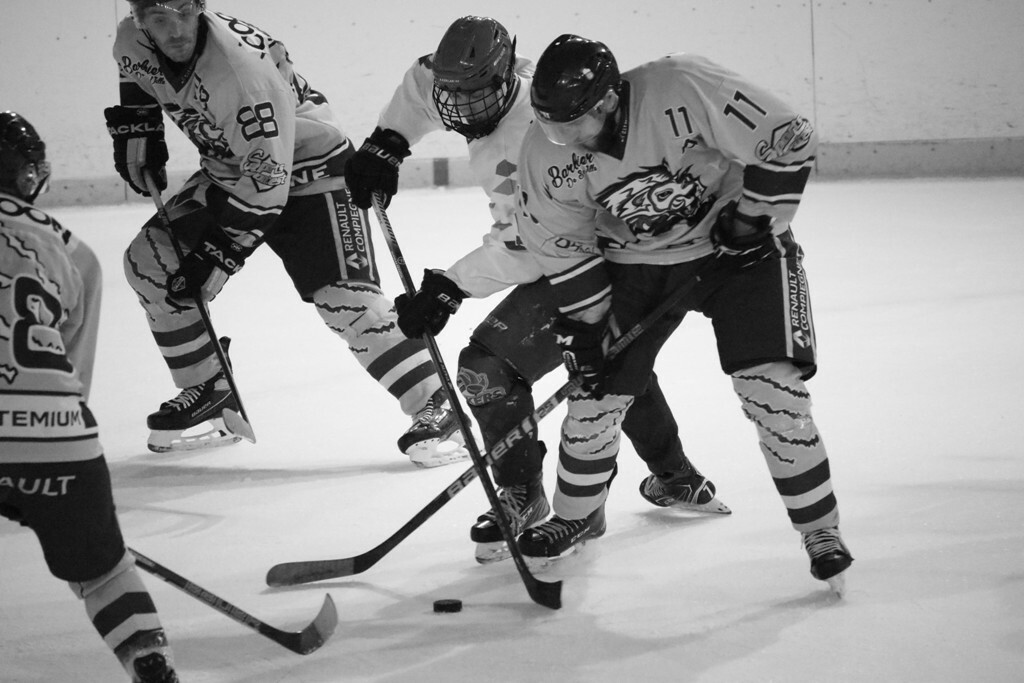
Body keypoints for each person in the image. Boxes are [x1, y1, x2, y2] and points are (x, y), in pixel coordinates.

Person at [343, 16, 728, 565]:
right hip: (587, 249)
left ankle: (524, 496)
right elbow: (420, 88)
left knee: (490, 367)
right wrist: (387, 143)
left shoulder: (532, 133)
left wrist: (451, 286)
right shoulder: (451, 82)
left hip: (599, 259)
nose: (463, 108)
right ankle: (675, 474)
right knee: (614, 361)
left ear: (505, 80)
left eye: (476, 95)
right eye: (454, 94)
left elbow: (529, 244)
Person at [514, 34, 854, 593]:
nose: (563, 139)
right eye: (552, 126)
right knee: (595, 393)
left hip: (737, 251)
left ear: (607, 100)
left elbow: (788, 135)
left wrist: (753, 216)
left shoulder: (684, 85)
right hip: (636, 262)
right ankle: (575, 516)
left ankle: (821, 531)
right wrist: (586, 329)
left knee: (771, 390)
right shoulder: (543, 151)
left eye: (573, 124)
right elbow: (562, 245)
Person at [104, 0, 467, 467]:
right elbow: (136, 73)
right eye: (159, 19)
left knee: (345, 302)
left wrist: (217, 256)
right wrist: (139, 130)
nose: (174, 31)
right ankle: (208, 387)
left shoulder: (242, 72)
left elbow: (269, 184)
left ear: (200, 7)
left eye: (183, 14)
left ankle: (437, 400)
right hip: (231, 173)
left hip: (312, 172)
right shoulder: (129, 39)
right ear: (139, 20)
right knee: (150, 261)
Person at [1, 111, 179, 682]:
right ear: (30, 175)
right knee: (103, 571)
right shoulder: (72, 249)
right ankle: (147, 659)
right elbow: (73, 374)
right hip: (59, 437)